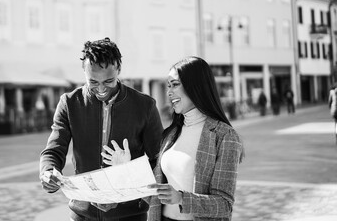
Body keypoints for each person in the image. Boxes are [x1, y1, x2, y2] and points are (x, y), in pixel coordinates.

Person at [104, 56, 245, 221]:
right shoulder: (170, 134)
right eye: (168, 86)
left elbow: (224, 205)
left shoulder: (224, 136)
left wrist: (181, 198)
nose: (169, 92)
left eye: (175, 85)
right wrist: (127, 168)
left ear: (196, 86)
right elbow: (154, 195)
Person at [39, 37, 163, 221]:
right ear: (84, 73)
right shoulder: (69, 103)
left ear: (119, 69)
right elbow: (54, 150)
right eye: (93, 82)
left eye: (108, 81)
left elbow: (158, 160)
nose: (101, 89)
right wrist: (48, 171)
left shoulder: (145, 105)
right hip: (82, 213)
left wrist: (125, 184)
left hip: (130, 214)